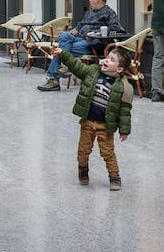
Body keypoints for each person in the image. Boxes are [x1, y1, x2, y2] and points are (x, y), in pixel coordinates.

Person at [51, 45, 133, 191]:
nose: (106, 60)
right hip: (87, 122)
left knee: (108, 152)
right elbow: (76, 65)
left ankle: (114, 176)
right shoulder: (93, 72)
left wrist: (124, 130)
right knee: (83, 149)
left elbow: (125, 111)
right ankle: (83, 170)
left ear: (119, 69)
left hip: (105, 126)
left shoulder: (124, 87)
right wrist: (63, 54)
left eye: (112, 60)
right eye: (107, 57)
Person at [37, 0, 123, 92]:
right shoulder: (90, 12)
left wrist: (95, 33)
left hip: (93, 43)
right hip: (80, 38)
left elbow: (115, 28)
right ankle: (63, 68)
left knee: (60, 50)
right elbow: (82, 24)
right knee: (64, 35)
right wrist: (77, 28)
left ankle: (53, 80)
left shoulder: (109, 12)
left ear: (97, 0)